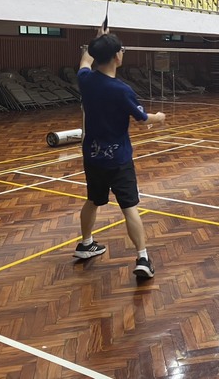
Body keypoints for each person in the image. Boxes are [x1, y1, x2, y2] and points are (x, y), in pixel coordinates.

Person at [75, 25, 166, 278]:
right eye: (122, 50)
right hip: (118, 159)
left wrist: (97, 40)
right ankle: (143, 258)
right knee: (129, 207)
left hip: (93, 157)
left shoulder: (85, 80)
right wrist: (159, 117)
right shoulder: (122, 90)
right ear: (117, 56)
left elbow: (85, 60)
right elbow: (143, 119)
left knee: (92, 200)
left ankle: (86, 244)